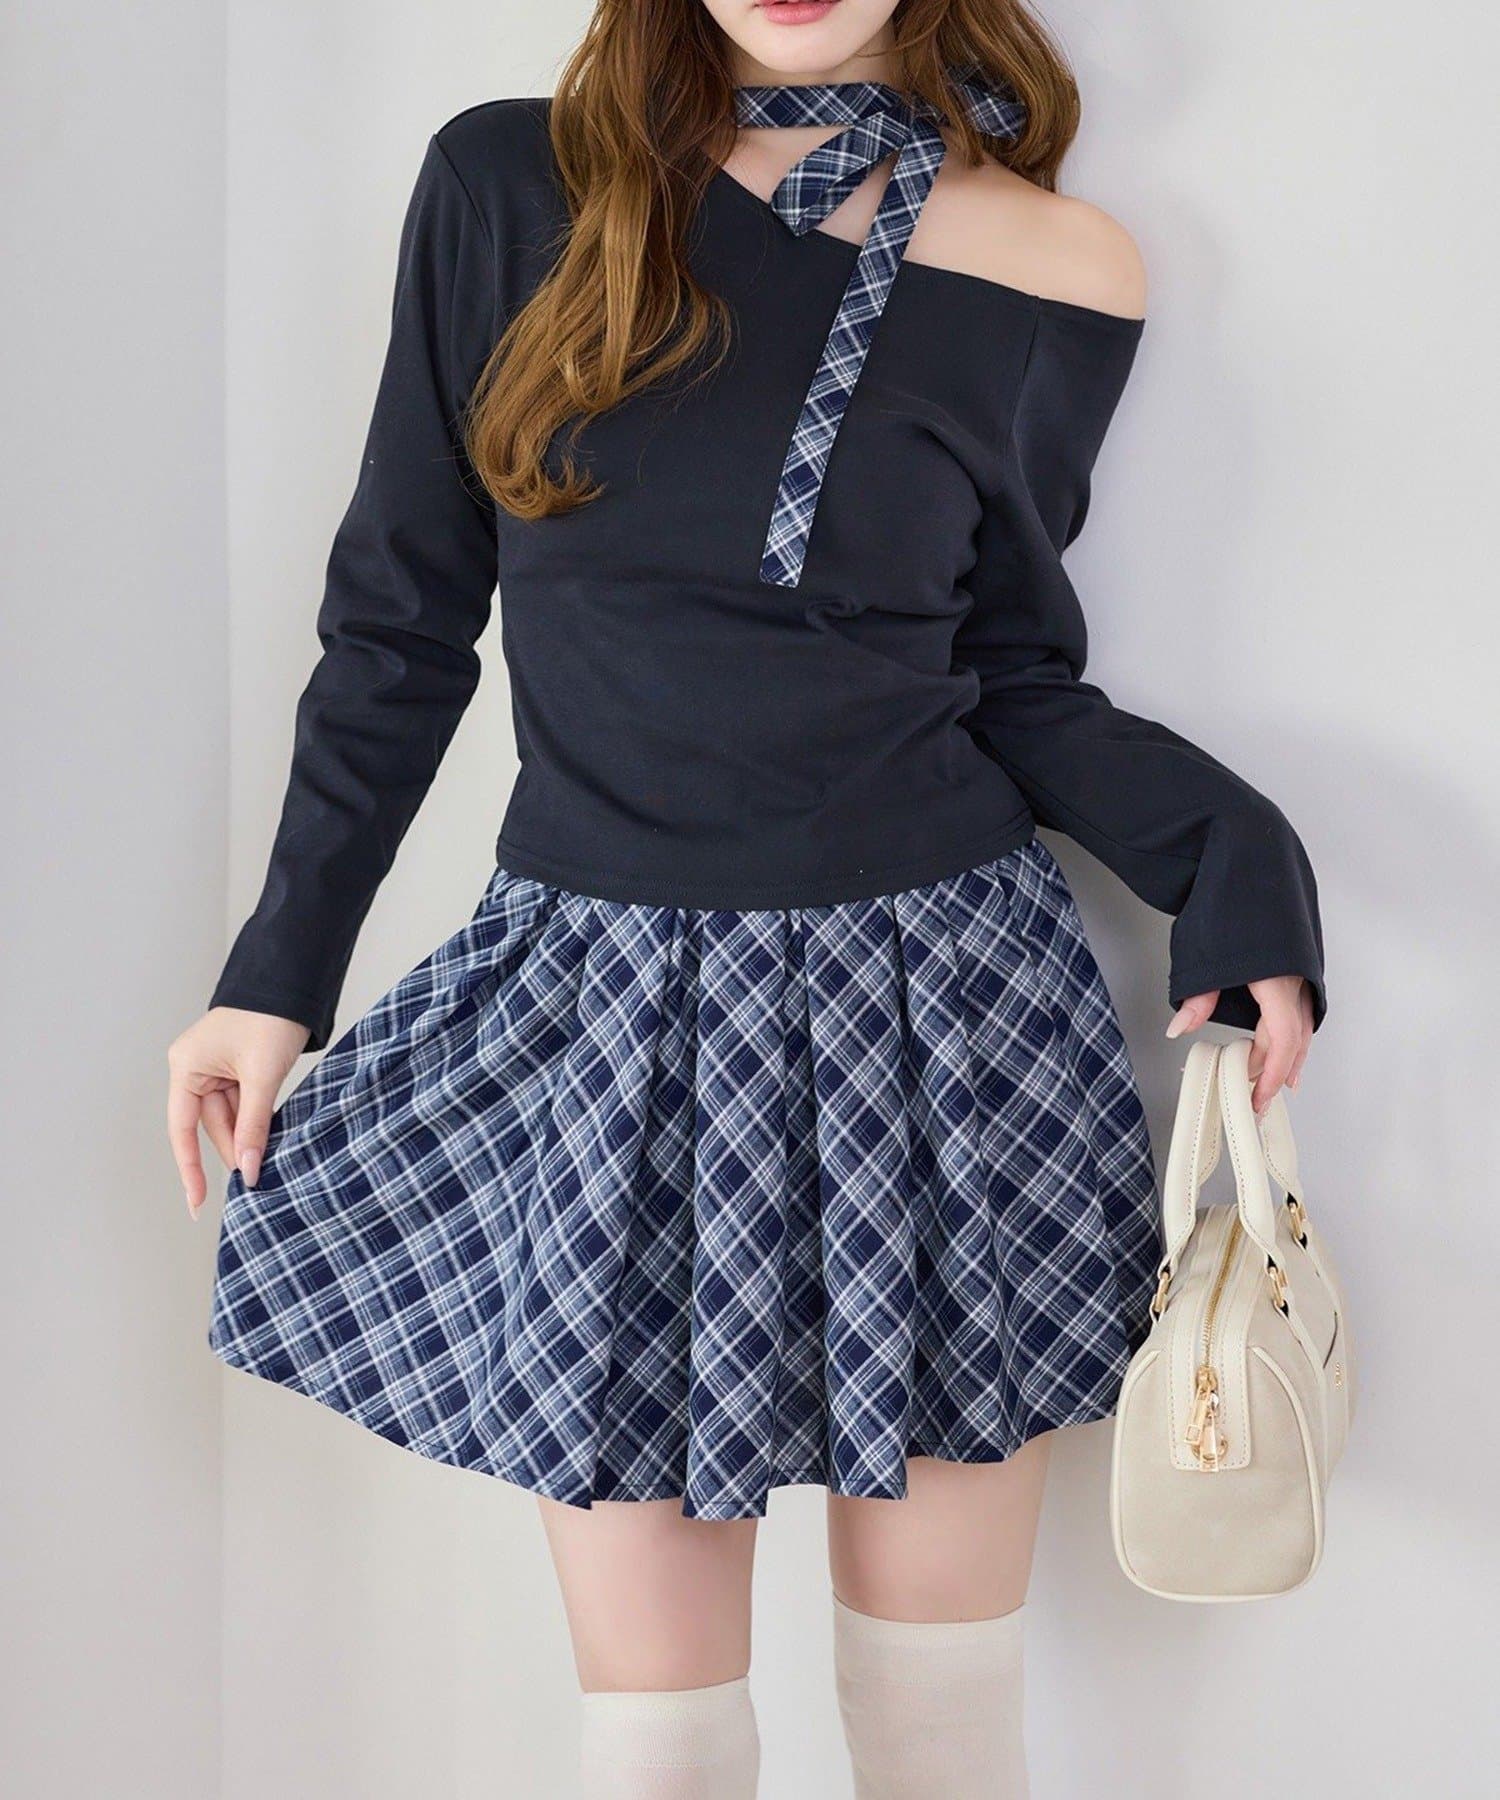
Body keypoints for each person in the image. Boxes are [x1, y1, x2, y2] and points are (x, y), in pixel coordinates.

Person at [167, 1, 1323, 1793]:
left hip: (939, 1022)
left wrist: (1235, 868)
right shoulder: (513, 182)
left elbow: (1010, 671)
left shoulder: (1055, 259)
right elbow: (401, 618)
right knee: (658, 1743)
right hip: (605, 1011)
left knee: (941, 1729)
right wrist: (277, 971)